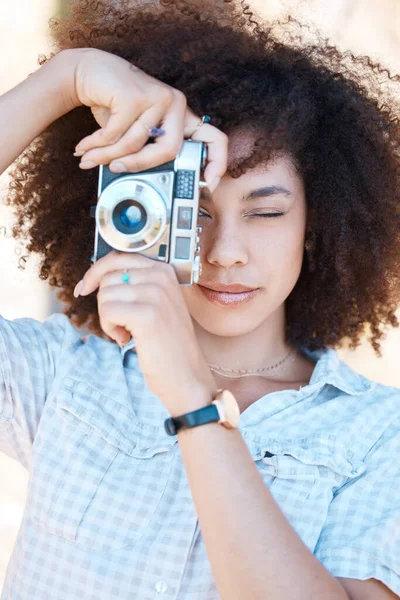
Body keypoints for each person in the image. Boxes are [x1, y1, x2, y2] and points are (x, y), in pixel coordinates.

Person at [0, 0, 399, 598]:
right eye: (194, 212)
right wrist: (69, 78)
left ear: (318, 224)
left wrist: (192, 400)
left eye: (265, 211)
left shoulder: (377, 433)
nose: (225, 251)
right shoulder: (63, 374)